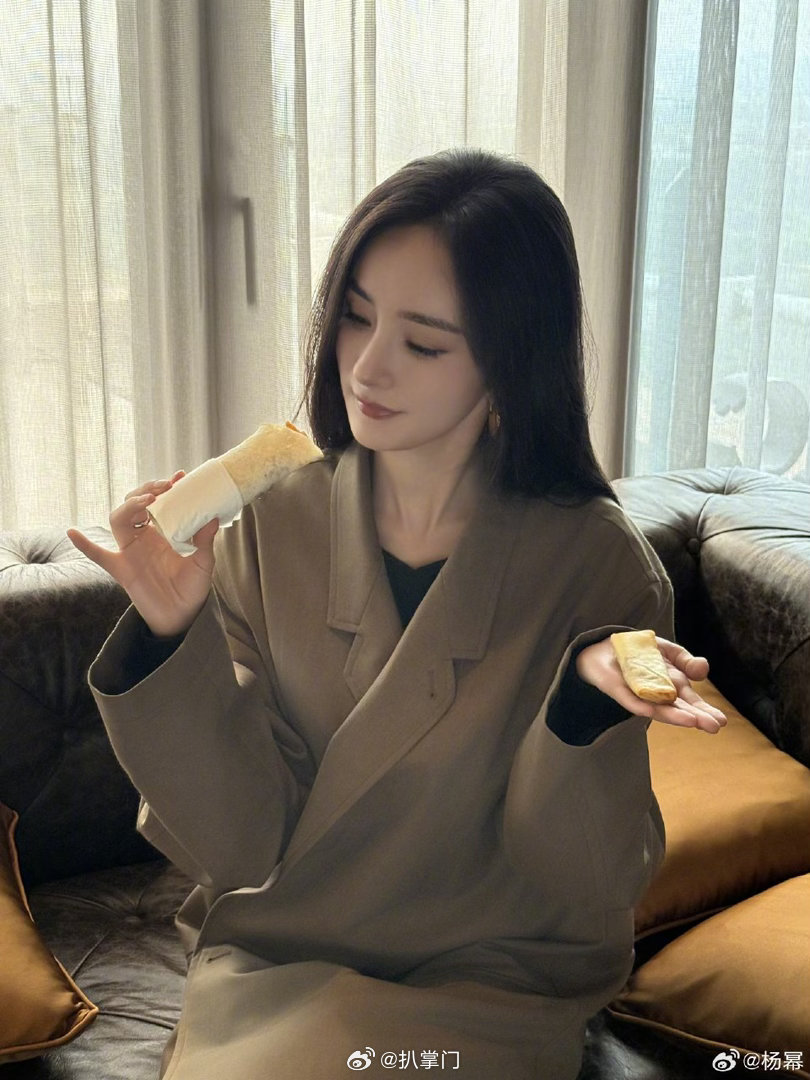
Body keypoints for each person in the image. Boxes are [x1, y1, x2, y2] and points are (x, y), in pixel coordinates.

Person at [69, 148, 725, 1080]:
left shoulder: (599, 565)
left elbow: (584, 879)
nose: (367, 367)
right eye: (355, 316)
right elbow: (243, 843)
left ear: (509, 363)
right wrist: (172, 633)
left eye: (424, 343)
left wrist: (582, 709)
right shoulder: (271, 524)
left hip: (493, 973)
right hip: (285, 955)